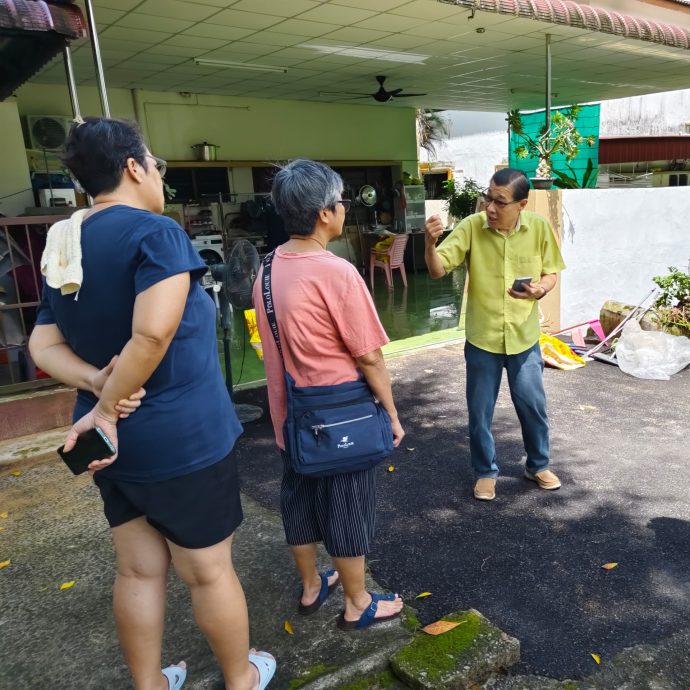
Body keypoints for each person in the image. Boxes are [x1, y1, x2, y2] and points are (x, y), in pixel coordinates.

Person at [29, 118, 275, 690]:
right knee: (208, 572)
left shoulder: (66, 241)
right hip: (179, 438)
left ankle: (150, 684)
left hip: (109, 447)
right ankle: (240, 678)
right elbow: (152, 335)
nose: (159, 175)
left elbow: (43, 343)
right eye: (156, 164)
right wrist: (110, 406)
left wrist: (96, 389)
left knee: (137, 571)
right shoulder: (156, 233)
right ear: (135, 167)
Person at [252, 159, 405, 630]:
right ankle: (358, 602)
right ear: (324, 213)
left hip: (290, 417)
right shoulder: (335, 272)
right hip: (341, 418)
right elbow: (369, 357)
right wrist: (393, 414)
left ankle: (312, 585)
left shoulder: (267, 269)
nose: (343, 210)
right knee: (347, 504)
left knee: (298, 497)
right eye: (340, 202)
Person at [424, 168, 566, 501]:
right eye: (488, 197)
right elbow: (437, 269)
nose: (490, 207)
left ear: (522, 205)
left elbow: (550, 272)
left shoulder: (540, 229)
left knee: (533, 405)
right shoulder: (473, 227)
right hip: (483, 338)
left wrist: (539, 290)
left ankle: (537, 464)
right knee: (480, 410)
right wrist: (430, 244)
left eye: (500, 201)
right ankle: (485, 471)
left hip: (524, 337)